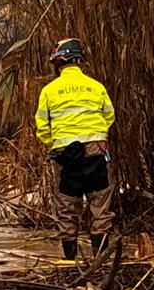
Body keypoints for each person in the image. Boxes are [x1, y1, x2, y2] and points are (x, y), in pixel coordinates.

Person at [35, 39, 116, 260]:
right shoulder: (96, 86)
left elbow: (42, 126)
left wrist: (54, 144)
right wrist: (95, 136)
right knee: (99, 203)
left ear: (58, 62)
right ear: (79, 61)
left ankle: (70, 260)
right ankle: (100, 260)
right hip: (96, 150)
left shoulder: (49, 91)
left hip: (64, 153)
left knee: (66, 204)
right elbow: (109, 115)